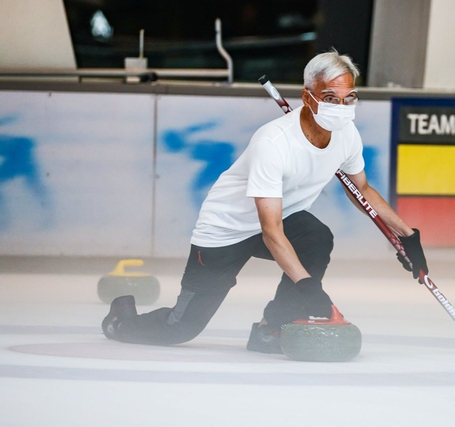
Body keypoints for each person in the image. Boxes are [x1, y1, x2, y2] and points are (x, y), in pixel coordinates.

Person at [102, 50, 428, 353]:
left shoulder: (347, 134)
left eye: (349, 98)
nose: (341, 107)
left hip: (281, 216)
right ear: (308, 98)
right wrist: (308, 287)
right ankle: (121, 320)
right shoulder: (273, 142)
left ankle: (271, 328)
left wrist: (408, 236)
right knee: (181, 328)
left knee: (316, 238)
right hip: (226, 230)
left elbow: (362, 190)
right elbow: (271, 232)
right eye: (331, 98)